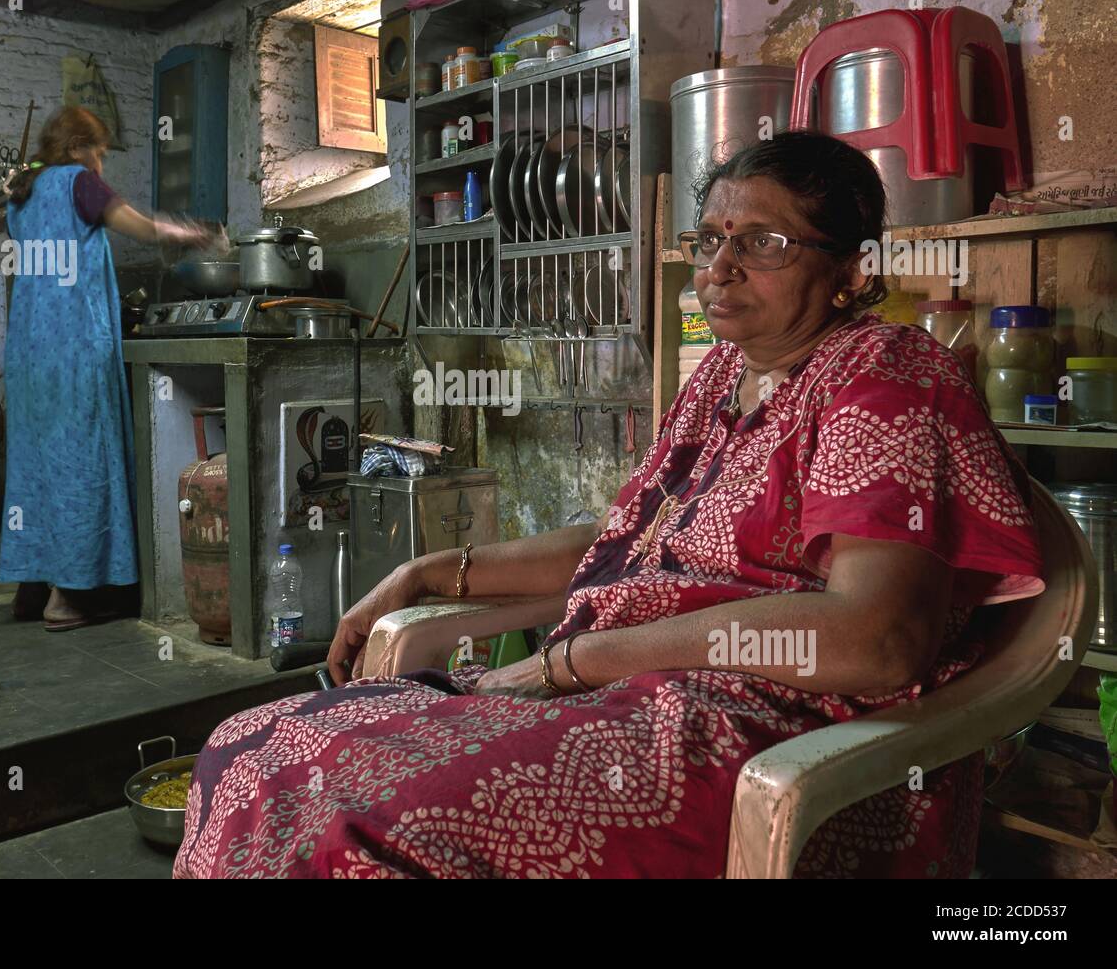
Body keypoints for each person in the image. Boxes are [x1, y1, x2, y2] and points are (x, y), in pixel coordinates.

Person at [174, 132, 1044, 879]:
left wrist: (575, 663)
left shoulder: (884, 374)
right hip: (622, 687)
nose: (722, 267)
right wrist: (424, 572)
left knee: (360, 823)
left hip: (760, 731)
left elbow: (876, 637)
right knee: (252, 749)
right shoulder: (721, 379)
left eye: (766, 242)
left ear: (853, 267)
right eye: (710, 240)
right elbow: (627, 541)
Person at [0, 107, 214, 630]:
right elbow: (139, 229)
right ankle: (67, 597)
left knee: (36, 464)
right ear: (77, 147)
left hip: (29, 350)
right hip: (74, 342)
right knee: (81, 463)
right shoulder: (79, 183)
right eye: (98, 151)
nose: (100, 162)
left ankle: (31, 587)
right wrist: (191, 233)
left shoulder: (21, 195)